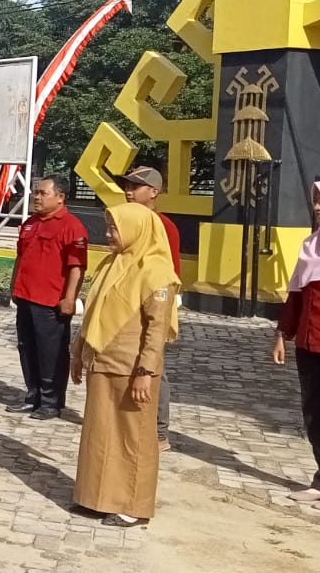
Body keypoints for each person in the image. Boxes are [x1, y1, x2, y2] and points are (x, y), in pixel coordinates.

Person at [70, 203, 177, 527]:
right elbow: (92, 315)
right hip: (103, 363)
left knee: (134, 438)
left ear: (136, 229)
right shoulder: (111, 265)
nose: (108, 234)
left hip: (132, 369)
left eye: (115, 228)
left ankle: (133, 506)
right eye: (109, 227)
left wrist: (145, 372)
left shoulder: (157, 273)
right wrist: (78, 352)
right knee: (100, 434)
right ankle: (98, 497)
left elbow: (156, 331)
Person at [274, 180, 320, 513]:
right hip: (309, 343)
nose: (317, 207)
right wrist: (282, 335)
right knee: (315, 414)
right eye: (315, 201)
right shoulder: (312, 245)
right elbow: (297, 296)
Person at [9, 176, 88, 421]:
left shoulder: (71, 226)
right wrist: (14, 286)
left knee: (51, 352)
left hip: (50, 301)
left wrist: (70, 298)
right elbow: (20, 258)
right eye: (36, 192)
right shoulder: (30, 223)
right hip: (25, 296)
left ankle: (51, 402)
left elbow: (77, 266)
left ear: (60, 197)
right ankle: (33, 395)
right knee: (27, 348)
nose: (37, 197)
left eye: (43, 193)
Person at [114, 166, 181, 452]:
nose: (129, 191)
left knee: (153, 366)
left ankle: (159, 430)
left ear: (154, 192)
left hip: (154, 299)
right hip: (125, 303)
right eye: (126, 186)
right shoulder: (123, 221)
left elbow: (168, 271)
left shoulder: (163, 225)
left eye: (136, 186)